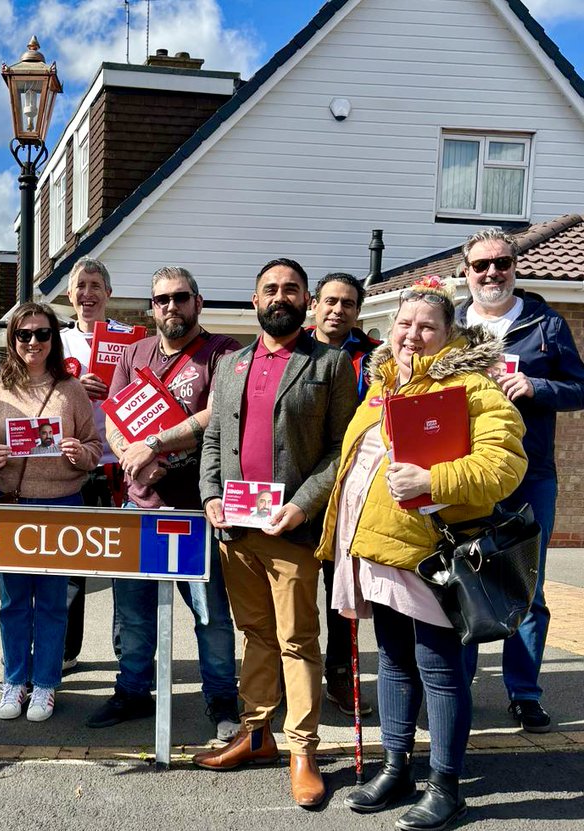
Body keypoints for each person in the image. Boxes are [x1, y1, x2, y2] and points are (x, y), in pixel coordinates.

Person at [318, 276, 527, 829]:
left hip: (432, 557)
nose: (413, 334)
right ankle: (396, 767)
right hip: (377, 551)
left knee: (439, 670)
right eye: (405, 324)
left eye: (426, 326)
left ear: (449, 333)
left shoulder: (474, 389)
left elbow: (504, 468)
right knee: (392, 661)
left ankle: (446, 784)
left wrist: (435, 478)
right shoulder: (381, 385)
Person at [195, 258, 357, 808]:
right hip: (237, 530)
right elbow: (214, 438)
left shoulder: (331, 364)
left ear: (307, 300)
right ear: (254, 297)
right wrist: (211, 494)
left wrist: (305, 504)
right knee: (257, 636)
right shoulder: (232, 365)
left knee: (297, 639)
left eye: (291, 289)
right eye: (270, 288)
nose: (279, 296)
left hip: (291, 530)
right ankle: (257, 732)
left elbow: (343, 448)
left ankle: (303, 749)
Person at [90, 266, 242, 743]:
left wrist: (153, 446)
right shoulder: (134, 353)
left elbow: (216, 413)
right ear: (151, 307)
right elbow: (114, 417)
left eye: (180, 297)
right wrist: (134, 460)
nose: (170, 306)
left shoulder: (223, 353)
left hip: (197, 507)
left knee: (209, 615)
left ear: (198, 302)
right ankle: (133, 690)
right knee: (132, 611)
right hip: (140, 506)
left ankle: (221, 698)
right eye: (161, 300)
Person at [454, 229, 584, 734]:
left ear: (515, 267)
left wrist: (537, 385)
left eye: (501, 263)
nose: (492, 273)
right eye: (481, 265)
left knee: (527, 587)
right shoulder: (453, 323)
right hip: (461, 478)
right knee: (460, 581)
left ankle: (525, 693)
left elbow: (579, 388)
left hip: (530, 477)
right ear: (466, 271)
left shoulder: (545, 322)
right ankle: (455, 688)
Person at [0, 302, 101, 723]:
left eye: (42, 334)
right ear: (12, 338)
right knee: (12, 601)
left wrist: (81, 453)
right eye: (24, 334)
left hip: (61, 503)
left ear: (53, 338)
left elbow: (95, 449)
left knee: (51, 600)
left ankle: (45, 683)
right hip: (8, 504)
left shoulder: (72, 390)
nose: (33, 342)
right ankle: (15, 678)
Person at [307, 272, 381, 718]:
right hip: (296, 491)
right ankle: (283, 675)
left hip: (349, 494)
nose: (338, 310)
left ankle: (340, 674)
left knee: (343, 596)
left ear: (358, 310)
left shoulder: (375, 360)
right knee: (292, 595)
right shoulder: (290, 349)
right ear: (315, 304)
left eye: (348, 304)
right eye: (330, 301)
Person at [58, 258, 121, 672]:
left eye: (96, 285)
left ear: (108, 293)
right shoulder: (55, 341)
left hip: (118, 466)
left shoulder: (131, 340)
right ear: (69, 294)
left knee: (124, 567)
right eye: (81, 285)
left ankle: (128, 655)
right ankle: (64, 653)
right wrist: (73, 387)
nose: (88, 293)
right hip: (71, 466)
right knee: (69, 566)